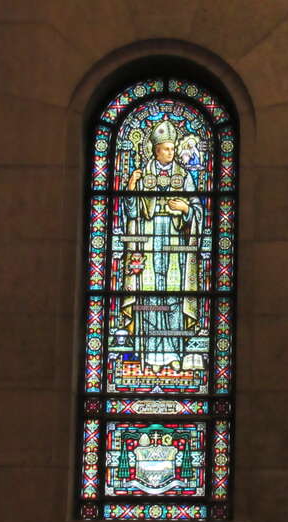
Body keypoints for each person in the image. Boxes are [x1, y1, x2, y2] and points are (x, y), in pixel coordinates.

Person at [120, 118, 204, 373]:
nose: (172, 152)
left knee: (172, 294)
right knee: (150, 295)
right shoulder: (143, 175)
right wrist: (131, 188)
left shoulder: (184, 176)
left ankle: (175, 355)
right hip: (148, 241)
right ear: (155, 150)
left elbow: (198, 210)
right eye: (167, 148)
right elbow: (132, 213)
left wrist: (187, 208)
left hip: (175, 245)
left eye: (173, 147)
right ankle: (151, 358)